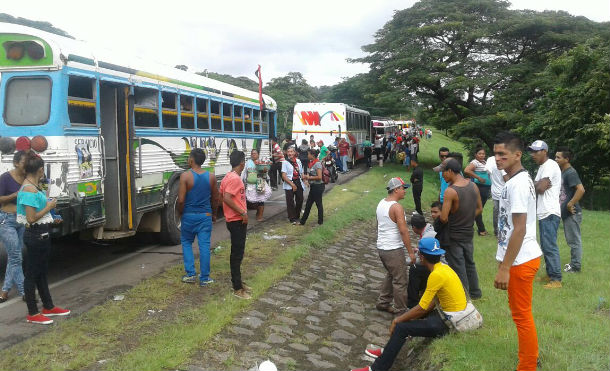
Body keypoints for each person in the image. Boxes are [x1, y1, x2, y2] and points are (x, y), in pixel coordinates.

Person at [351, 238, 468, 371]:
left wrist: (397, 320)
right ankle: (388, 350)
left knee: (402, 327)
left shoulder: (436, 275)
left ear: (422, 257)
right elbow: (430, 304)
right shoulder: (444, 268)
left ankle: (377, 368)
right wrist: (410, 316)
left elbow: (423, 308)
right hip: (451, 315)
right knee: (409, 319)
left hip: (449, 322)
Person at [493, 132, 542, 371]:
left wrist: (505, 267)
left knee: (522, 316)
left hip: (521, 260)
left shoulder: (519, 184)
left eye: (503, 154)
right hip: (519, 257)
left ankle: (528, 366)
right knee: (522, 314)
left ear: (517, 155)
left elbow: (519, 229)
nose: (498, 158)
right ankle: (532, 356)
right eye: (495, 154)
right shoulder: (517, 180)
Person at [18, 152, 70, 324]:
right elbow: (31, 218)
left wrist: (51, 217)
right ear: (40, 170)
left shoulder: (34, 186)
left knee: (41, 273)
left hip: (42, 233)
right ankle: (32, 313)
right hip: (35, 235)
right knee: (32, 274)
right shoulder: (28, 189)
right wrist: (49, 207)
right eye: (43, 170)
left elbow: (37, 215)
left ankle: (48, 306)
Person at [436, 158, 483, 299]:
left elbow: (444, 217)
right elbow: (479, 208)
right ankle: (475, 292)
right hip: (468, 232)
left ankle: (464, 295)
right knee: (470, 262)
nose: (442, 175)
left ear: (450, 171)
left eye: (443, 172)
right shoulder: (473, 186)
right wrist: (467, 218)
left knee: (458, 265)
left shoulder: (450, 191)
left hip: (454, 235)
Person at [177, 148, 219, 286]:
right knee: (204, 246)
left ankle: (190, 274)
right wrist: (214, 214)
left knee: (187, 243)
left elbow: (181, 200)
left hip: (189, 216)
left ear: (191, 160)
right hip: (205, 216)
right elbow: (215, 198)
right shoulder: (211, 176)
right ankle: (205, 278)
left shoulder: (185, 176)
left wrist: (180, 213)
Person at [375, 177, 415, 315]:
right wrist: (410, 253)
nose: (405, 191)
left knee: (391, 275)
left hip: (382, 247)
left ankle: (383, 302)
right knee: (400, 281)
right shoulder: (396, 207)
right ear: (396, 189)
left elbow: (378, 224)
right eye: (404, 188)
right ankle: (401, 313)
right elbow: (403, 231)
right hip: (393, 249)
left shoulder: (381, 203)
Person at [528, 140, 562, 289]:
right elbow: (534, 186)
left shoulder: (550, 165)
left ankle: (556, 279)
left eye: (536, 151)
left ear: (545, 151)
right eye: (532, 151)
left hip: (549, 211)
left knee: (549, 246)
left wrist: (536, 184)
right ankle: (550, 274)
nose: (533, 154)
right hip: (543, 212)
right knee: (545, 245)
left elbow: (540, 187)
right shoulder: (543, 167)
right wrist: (536, 185)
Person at [219, 150, 252, 300]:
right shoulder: (235, 179)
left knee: (237, 253)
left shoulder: (228, 177)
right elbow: (226, 198)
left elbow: (222, 196)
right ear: (242, 163)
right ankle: (237, 288)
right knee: (237, 254)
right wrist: (242, 213)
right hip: (236, 220)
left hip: (233, 220)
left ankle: (238, 282)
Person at [0, 151, 27, 302]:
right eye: (24, 163)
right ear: (16, 163)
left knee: (14, 256)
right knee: (16, 257)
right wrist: (15, 195)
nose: (26, 166)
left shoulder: (27, 178)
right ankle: (25, 292)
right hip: (6, 220)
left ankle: (4, 291)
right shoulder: (5, 178)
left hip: (21, 220)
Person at [555, 147, 585, 273]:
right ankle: (574, 264)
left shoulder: (570, 173)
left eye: (558, 157)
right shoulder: (563, 172)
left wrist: (570, 204)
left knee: (574, 241)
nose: (555, 159)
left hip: (572, 213)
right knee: (571, 240)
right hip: (566, 213)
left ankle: (576, 267)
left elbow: (581, 189)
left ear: (566, 159)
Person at [407, 214, 435, 308]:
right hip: (434, 260)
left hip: (435, 263)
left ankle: (412, 303)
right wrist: (419, 250)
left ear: (414, 227)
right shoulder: (430, 229)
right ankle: (420, 292)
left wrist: (407, 262)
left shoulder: (426, 237)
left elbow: (423, 258)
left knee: (414, 269)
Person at [464, 146, 492, 236]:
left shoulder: (484, 162)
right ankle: (480, 230)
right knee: (478, 209)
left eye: (483, 154)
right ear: (475, 154)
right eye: (479, 153)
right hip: (480, 187)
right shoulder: (475, 162)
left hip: (485, 188)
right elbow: (467, 170)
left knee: (478, 208)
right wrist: (478, 177)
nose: (482, 155)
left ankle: (477, 229)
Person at [242, 149, 271, 221]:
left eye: (255, 153)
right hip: (250, 184)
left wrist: (265, 171)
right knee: (251, 201)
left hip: (260, 181)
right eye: (252, 153)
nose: (253, 154)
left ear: (258, 154)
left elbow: (265, 174)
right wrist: (242, 181)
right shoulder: (248, 162)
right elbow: (244, 173)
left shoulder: (261, 162)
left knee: (261, 200)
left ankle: (260, 216)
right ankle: (257, 212)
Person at [300, 149, 324, 226]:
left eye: (308, 154)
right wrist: (307, 179)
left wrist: (309, 177)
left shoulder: (317, 164)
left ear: (312, 155)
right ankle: (302, 222)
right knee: (308, 205)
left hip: (318, 187)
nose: (307, 156)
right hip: (313, 187)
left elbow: (319, 177)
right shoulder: (311, 163)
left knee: (318, 204)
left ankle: (320, 222)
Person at [281, 146, 305, 225]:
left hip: (298, 181)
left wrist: (305, 180)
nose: (290, 153)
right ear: (286, 153)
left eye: (292, 152)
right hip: (289, 182)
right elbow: (284, 176)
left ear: (294, 153)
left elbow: (301, 172)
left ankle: (297, 215)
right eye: (288, 152)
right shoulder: (285, 162)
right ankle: (292, 218)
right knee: (290, 202)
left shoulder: (298, 161)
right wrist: (292, 185)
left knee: (300, 199)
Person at [485, 153, 506, 238]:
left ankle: (496, 232)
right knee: (504, 213)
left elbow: (487, 171)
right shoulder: (504, 161)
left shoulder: (490, 159)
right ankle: (501, 232)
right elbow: (506, 178)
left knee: (496, 212)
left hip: (495, 191)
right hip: (504, 192)